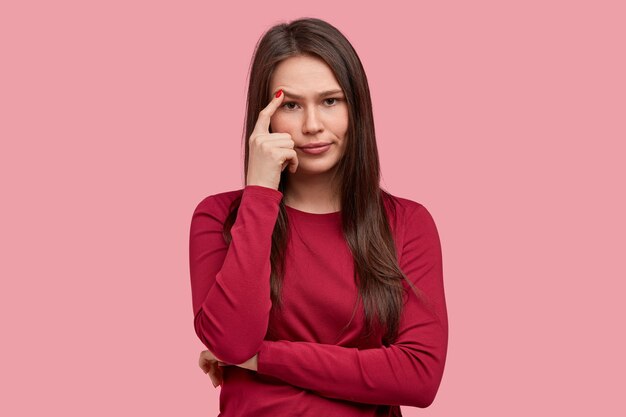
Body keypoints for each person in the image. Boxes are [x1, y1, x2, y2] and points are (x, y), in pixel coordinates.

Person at [189, 17, 448, 417]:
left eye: (330, 101)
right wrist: (259, 193)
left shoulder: (406, 223)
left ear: (356, 108)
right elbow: (233, 341)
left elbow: (418, 375)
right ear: (266, 116)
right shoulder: (219, 218)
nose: (312, 126)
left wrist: (261, 359)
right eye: (290, 105)